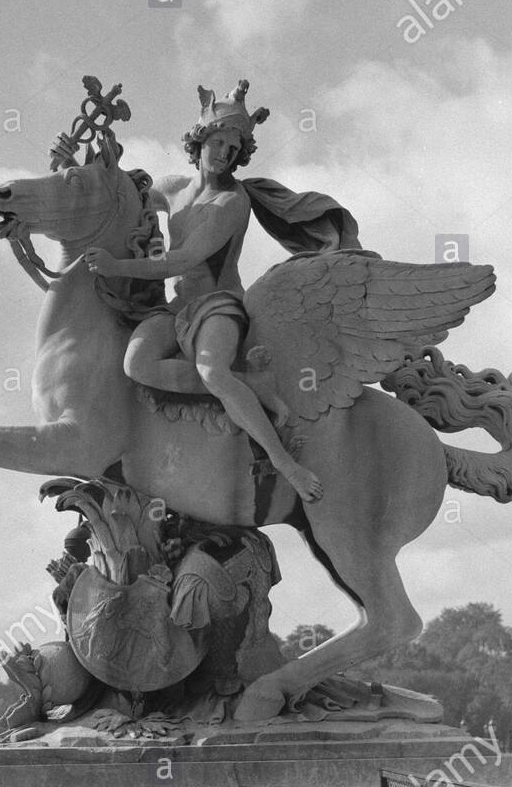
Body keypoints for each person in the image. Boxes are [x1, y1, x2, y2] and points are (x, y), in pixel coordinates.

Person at [76, 81, 327, 501]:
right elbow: (123, 199)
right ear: (199, 141)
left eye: (233, 149)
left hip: (218, 307)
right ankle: (247, 386)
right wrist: (83, 170)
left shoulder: (232, 202)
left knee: (213, 372)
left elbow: (182, 261)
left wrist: (117, 265)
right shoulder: (173, 188)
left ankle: (285, 463)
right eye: (219, 144)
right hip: (177, 309)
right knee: (135, 364)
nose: (225, 155)